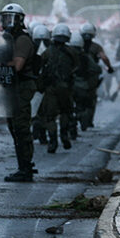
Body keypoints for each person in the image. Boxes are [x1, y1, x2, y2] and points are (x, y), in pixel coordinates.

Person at [0, 4, 39, 183]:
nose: (8, 21)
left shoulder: (22, 39)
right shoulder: (8, 39)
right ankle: (23, 165)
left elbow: (17, 66)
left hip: (22, 86)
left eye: (12, 18)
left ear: (20, 20)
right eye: (5, 17)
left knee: (21, 127)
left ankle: (25, 168)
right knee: (14, 127)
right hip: (12, 88)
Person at [39, 24, 78, 153]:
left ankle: (53, 140)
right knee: (66, 112)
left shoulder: (47, 52)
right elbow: (77, 67)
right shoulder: (72, 51)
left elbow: (39, 67)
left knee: (50, 116)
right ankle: (64, 135)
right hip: (66, 88)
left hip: (51, 89)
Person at [78, 23, 114, 128]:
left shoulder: (76, 45)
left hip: (77, 76)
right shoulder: (96, 47)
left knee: (77, 98)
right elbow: (104, 58)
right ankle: (88, 120)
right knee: (91, 98)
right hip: (91, 77)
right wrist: (110, 68)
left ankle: (79, 115)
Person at [30, 24, 51, 145]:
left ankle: (38, 130)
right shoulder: (50, 50)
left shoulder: (30, 49)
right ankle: (42, 133)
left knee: (36, 110)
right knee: (44, 112)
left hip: (36, 84)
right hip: (43, 84)